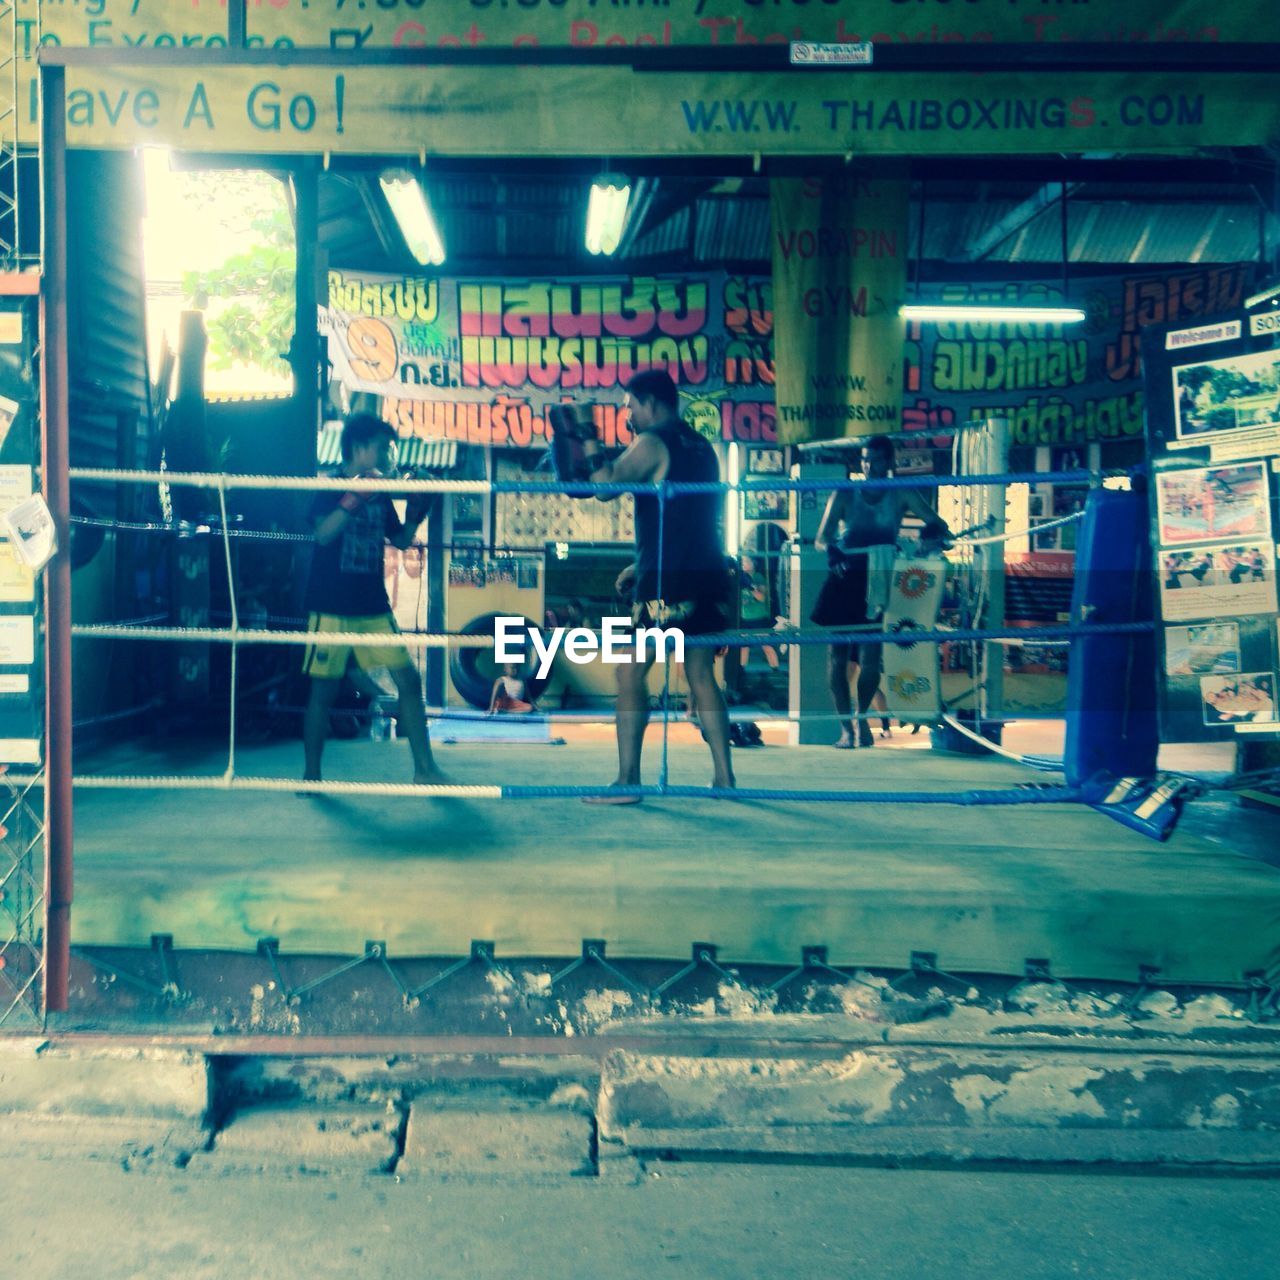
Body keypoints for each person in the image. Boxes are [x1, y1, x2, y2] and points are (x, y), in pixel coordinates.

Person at [579, 369, 734, 803]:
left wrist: (589, 436)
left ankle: (628, 781)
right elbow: (689, 517)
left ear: (650, 403)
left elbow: (606, 488)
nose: (628, 416)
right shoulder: (703, 446)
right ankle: (725, 778)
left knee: (629, 672)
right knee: (702, 675)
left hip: (667, 582)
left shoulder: (652, 442)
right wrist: (638, 563)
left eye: (630, 407)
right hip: (706, 573)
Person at [301, 412, 441, 785]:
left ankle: (425, 770)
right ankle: (311, 774)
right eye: (381, 447)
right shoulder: (330, 486)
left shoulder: (379, 493)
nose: (387, 455)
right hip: (330, 603)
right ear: (359, 448)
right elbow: (324, 535)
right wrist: (352, 500)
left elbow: (399, 540)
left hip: (372, 605)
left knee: (409, 682)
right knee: (324, 690)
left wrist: (417, 509)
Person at [812, 434, 950, 749]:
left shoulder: (902, 493)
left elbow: (936, 522)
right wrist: (830, 550)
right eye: (864, 459)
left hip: (880, 575)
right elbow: (821, 537)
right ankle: (846, 729)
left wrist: (929, 535)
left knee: (871, 658)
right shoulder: (845, 493)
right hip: (845, 574)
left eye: (874, 459)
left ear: (888, 462)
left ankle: (863, 723)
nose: (868, 465)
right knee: (836, 658)